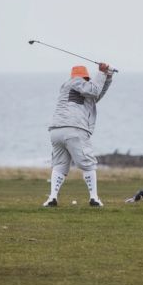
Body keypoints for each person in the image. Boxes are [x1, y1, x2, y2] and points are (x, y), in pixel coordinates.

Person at [43, 63, 114, 207]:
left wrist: (108, 77)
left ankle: (52, 198)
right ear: (84, 77)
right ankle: (94, 198)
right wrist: (101, 73)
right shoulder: (76, 81)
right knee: (88, 164)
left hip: (56, 131)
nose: (87, 81)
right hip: (74, 129)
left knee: (59, 165)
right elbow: (94, 90)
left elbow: (97, 93)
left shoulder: (77, 89)